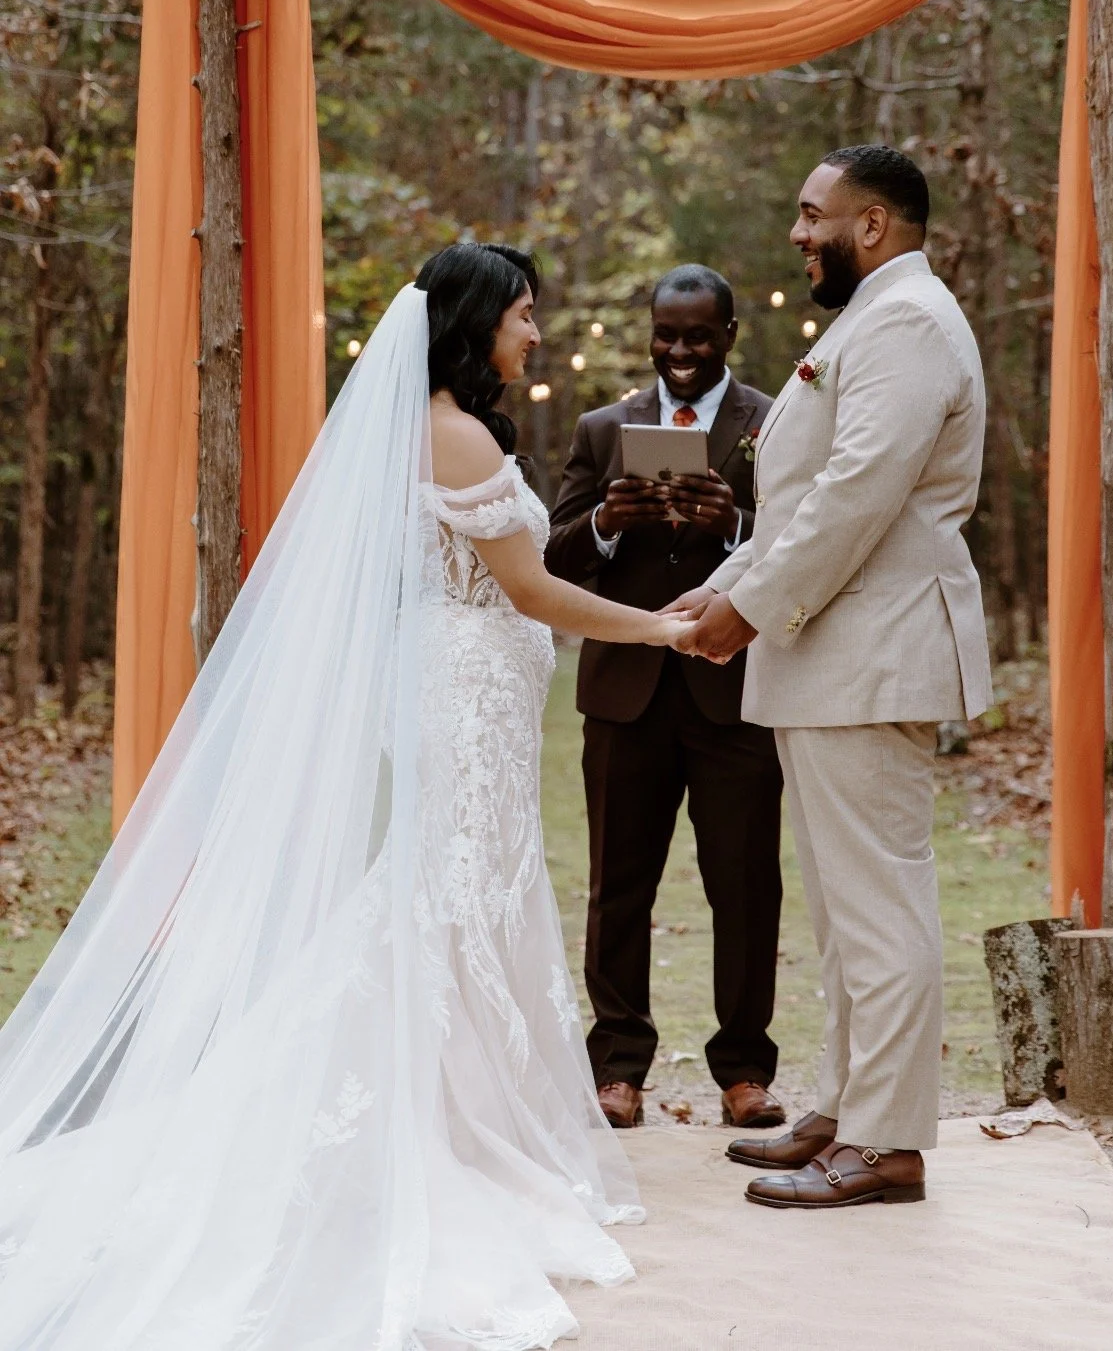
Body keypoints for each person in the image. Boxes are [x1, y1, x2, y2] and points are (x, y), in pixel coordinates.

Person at [0, 243, 697, 1350]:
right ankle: (443, 1128)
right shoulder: (455, 430)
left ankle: (461, 1111)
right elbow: (530, 585)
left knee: (460, 896)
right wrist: (665, 626)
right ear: (474, 324)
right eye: (522, 314)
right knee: (451, 900)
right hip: (464, 693)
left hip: (472, 688)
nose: (534, 333)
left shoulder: (436, 427)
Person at [673, 148, 992, 1209]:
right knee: (842, 909)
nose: (799, 234)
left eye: (814, 216)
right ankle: (850, 1106)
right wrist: (720, 585)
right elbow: (807, 500)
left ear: (874, 224)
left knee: (881, 906)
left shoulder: (907, 322)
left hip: (874, 650)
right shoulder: (872, 316)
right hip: (835, 654)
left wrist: (748, 609)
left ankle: (891, 1142)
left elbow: (857, 496)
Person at [546, 265, 784, 1133]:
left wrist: (735, 526)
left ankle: (745, 1070)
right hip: (625, 695)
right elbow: (554, 559)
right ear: (650, 332)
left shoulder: (773, 420)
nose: (680, 352)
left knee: (747, 884)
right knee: (618, 886)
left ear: (728, 334)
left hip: (735, 693)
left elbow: (803, 540)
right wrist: (610, 518)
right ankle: (617, 1068)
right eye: (666, 334)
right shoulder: (603, 427)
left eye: (697, 336)